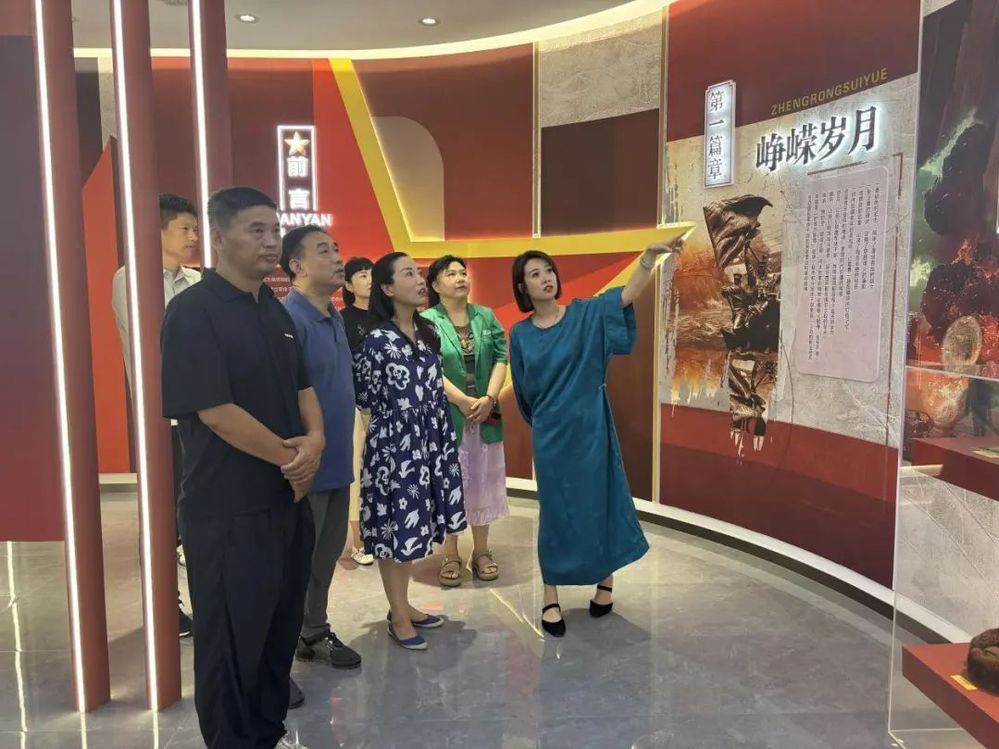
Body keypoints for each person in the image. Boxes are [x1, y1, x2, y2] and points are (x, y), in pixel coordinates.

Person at [161, 186, 322, 749]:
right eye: (256, 230)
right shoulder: (192, 313)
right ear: (219, 236)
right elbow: (216, 412)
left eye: (274, 230)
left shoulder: (274, 310)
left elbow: (303, 388)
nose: (271, 241)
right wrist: (294, 458)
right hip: (227, 512)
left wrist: (317, 441)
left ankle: (265, 735)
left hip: (286, 503)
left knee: (276, 638)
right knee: (231, 647)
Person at [508, 238, 685, 638]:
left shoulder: (585, 314)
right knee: (555, 513)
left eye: (548, 270)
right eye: (534, 274)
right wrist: (548, 420)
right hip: (551, 435)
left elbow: (626, 295)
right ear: (522, 287)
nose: (546, 278)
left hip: (591, 428)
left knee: (598, 502)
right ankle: (550, 595)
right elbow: (523, 392)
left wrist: (648, 257)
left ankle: (606, 582)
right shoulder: (519, 334)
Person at [352, 252, 466, 651]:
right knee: (396, 530)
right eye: (408, 274)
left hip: (430, 441)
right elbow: (365, 398)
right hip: (395, 449)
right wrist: (398, 430)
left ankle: (403, 605)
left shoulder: (426, 330)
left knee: (415, 529)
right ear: (387, 288)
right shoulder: (375, 341)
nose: (419, 280)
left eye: (419, 273)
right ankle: (398, 615)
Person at [111, 192, 200, 638]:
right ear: (158, 230)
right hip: (160, 419)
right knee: (163, 517)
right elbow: (159, 344)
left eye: (195, 228)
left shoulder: (198, 281)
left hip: (204, 416)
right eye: (185, 228)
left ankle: (204, 596)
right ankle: (165, 605)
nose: (194, 237)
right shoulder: (131, 280)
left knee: (197, 511)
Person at [280, 227, 363, 671]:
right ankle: (280, 651)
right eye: (324, 251)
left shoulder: (334, 316)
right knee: (294, 562)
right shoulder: (286, 319)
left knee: (326, 554)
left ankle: (313, 630)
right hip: (302, 466)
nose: (337, 258)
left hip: (336, 463)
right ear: (296, 265)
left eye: (337, 249)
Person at [422, 255, 509, 586]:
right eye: (451, 274)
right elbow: (427, 366)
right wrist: (460, 400)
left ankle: (482, 551)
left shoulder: (485, 315)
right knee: (449, 483)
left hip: (485, 414)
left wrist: (489, 398)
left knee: (482, 482)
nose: (460, 278)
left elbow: (501, 356)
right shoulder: (426, 320)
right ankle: (450, 553)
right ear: (435, 284)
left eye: (463, 273)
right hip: (448, 415)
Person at [340, 257, 375, 566]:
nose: (369, 279)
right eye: (362, 275)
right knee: (355, 473)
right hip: (353, 404)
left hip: (386, 405)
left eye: (372, 274)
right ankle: (358, 539)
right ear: (349, 285)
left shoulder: (388, 316)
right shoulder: (342, 319)